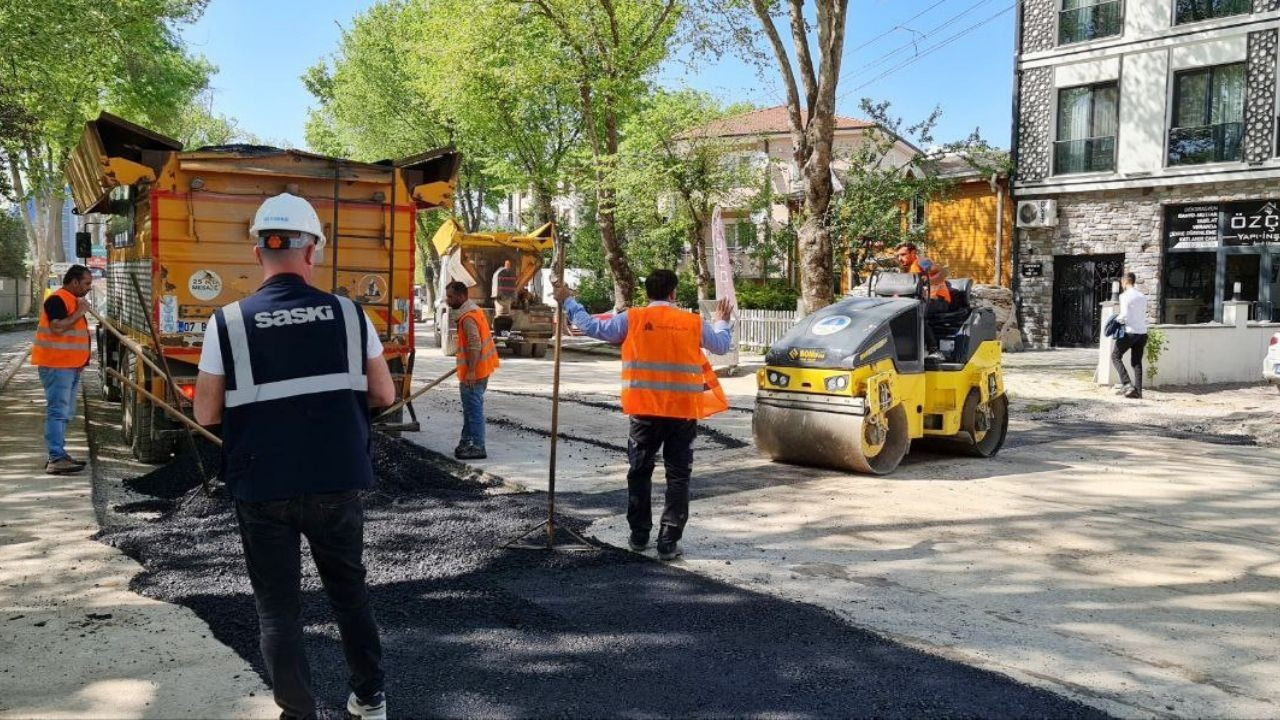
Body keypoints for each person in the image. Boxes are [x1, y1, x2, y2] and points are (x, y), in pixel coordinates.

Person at [193, 193, 395, 720]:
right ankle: (370, 699)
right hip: (335, 479)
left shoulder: (229, 322)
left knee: (278, 609)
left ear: (259, 251)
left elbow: (208, 412)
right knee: (350, 594)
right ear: (313, 252)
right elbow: (385, 395)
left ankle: (298, 711)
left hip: (263, 486)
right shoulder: (351, 315)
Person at [554, 270, 732, 561]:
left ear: (647, 293)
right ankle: (668, 541)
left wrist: (568, 302)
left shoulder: (632, 319)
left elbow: (589, 326)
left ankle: (639, 535)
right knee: (678, 476)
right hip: (681, 413)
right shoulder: (691, 322)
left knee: (639, 471)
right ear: (673, 293)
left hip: (643, 411)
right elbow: (722, 346)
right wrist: (723, 321)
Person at [33, 264, 93, 475]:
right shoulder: (58, 299)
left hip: (69, 367)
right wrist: (80, 312)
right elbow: (57, 327)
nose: (89, 288)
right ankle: (56, 458)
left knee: (65, 412)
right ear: (74, 282)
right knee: (58, 412)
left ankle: (59, 454)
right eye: (86, 283)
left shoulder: (72, 301)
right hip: (57, 366)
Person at [444, 280, 498, 460]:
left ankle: (477, 446)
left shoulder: (468, 318)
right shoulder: (473, 311)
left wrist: (471, 371)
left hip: (475, 373)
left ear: (461, 296)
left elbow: (475, 345)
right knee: (469, 409)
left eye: (451, 297)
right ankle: (466, 442)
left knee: (473, 411)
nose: (447, 300)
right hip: (479, 370)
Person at [1111, 272, 1148, 399]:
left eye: (1122, 282)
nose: (1121, 284)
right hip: (1142, 333)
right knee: (1136, 362)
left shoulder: (1124, 296)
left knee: (1115, 356)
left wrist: (1115, 321)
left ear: (1126, 282)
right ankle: (1138, 392)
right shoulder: (1142, 296)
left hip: (1130, 332)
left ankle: (1127, 384)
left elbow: (1124, 315)